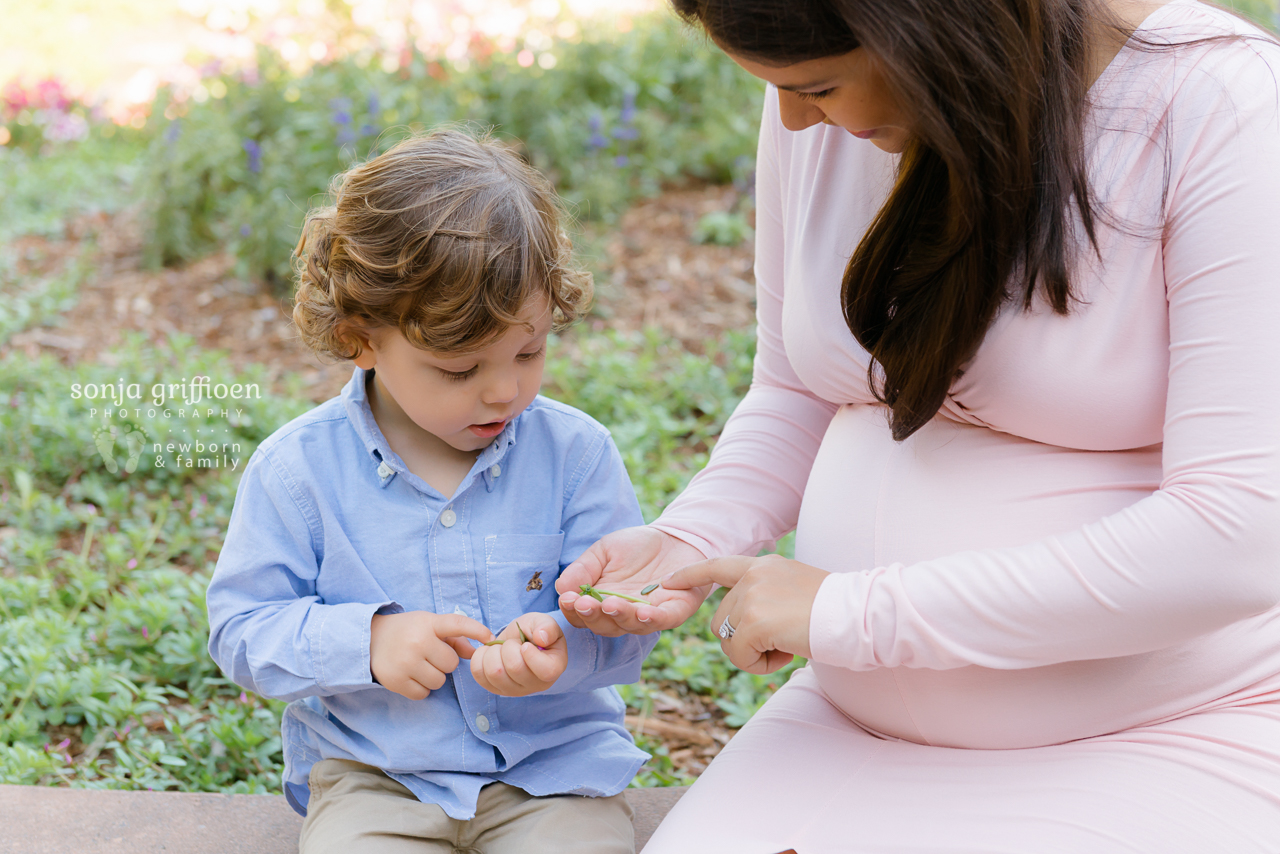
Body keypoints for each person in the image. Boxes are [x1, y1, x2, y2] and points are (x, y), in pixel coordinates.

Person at [556, 0, 1280, 850]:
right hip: (847, 728)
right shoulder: (820, 112)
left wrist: (850, 614)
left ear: (934, 32)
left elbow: (1237, 537)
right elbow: (798, 387)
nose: (793, 117)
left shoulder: (1221, 107)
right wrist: (689, 538)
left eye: (818, 86)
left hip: (1163, 733)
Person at [206, 128, 656, 854]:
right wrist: (369, 641)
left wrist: (564, 648)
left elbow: (632, 617)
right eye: (457, 369)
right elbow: (241, 627)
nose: (505, 389)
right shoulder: (297, 472)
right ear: (361, 339)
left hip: (553, 773)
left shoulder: (575, 455)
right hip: (380, 777)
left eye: (529, 350)